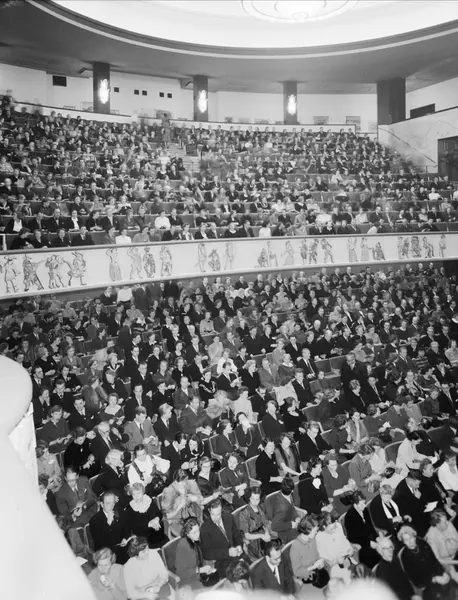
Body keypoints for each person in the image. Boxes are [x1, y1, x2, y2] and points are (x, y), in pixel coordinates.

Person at [55, 466, 98, 555]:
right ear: (65, 478)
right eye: (69, 480)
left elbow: (92, 497)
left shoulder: (84, 480)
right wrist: (74, 515)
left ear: (77, 476)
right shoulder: (60, 494)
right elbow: (64, 515)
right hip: (76, 521)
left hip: (91, 512)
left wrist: (84, 506)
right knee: (74, 533)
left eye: (74, 480)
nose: (71, 483)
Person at [200, 498, 244, 577]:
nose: (215, 517)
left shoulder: (229, 517)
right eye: (213, 514)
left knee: (253, 571)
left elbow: (237, 535)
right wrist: (227, 552)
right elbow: (206, 553)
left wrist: (239, 545)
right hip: (222, 560)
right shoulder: (205, 528)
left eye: (218, 514)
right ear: (209, 511)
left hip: (237, 553)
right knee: (239, 575)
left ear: (222, 511)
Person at [398, 525, 446, 591]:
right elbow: (415, 579)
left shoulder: (422, 543)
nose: (409, 542)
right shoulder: (404, 556)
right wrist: (434, 579)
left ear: (414, 537)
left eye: (411, 538)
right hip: (425, 584)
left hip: (437, 575)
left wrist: (443, 572)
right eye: (406, 540)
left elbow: (434, 560)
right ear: (403, 542)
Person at [175, 517, 217, 589]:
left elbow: (200, 558)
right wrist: (200, 570)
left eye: (198, 530)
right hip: (188, 581)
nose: (197, 534)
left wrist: (207, 567)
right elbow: (181, 573)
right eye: (194, 532)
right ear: (187, 534)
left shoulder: (195, 539)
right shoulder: (182, 547)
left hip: (199, 574)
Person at [123, 536, 171, 600]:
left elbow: (164, 573)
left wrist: (158, 586)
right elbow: (130, 593)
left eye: (147, 549)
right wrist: (147, 595)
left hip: (159, 588)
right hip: (141, 595)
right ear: (135, 553)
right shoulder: (128, 567)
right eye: (143, 552)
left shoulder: (153, 553)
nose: (147, 552)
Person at [290, 515, 328, 591]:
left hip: (316, 572)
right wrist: (313, 567)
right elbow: (297, 572)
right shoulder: (295, 547)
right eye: (315, 530)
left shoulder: (312, 539)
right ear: (308, 531)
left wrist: (320, 562)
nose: (316, 532)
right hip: (305, 578)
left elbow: (317, 555)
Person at [89, 492, 130, 564]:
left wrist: (125, 539)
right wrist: (108, 523)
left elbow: (126, 530)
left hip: (121, 550)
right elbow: (99, 542)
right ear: (102, 504)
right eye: (108, 503)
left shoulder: (120, 512)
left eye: (113, 503)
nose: (111, 506)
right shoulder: (94, 520)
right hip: (106, 554)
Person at [123, 483, 167, 549]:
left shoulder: (148, 500)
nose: (136, 496)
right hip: (144, 538)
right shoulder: (130, 508)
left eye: (138, 493)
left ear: (143, 492)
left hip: (158, 532)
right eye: (134, 494)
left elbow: (158, 513)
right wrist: (148, 524)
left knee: (167, 548)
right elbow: (132, 526)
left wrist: (156, 519)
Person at [161, 470, 203, 538]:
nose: (184, 484)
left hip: (190, 515)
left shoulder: (188, 483)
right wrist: (179, 506)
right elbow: (167, 516)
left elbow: (200, 499)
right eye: (182, 482)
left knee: (199, 529)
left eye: (185, 480)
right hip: (177, 521)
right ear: (175, 481)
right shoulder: (169, 491)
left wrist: (195, 498)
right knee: (192, 533)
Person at [344, 491, 379, 568]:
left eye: (364, 503)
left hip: (370, 539)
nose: (365, 506)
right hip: (361, 544)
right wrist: (369, 543)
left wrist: (377, 537)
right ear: (355, 505)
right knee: (371, 556)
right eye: (362, 504)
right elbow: (352, 538)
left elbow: (371, 526)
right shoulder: (349, 517)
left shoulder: (365, 510)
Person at [238, 486, 271, 562]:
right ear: (249, 498)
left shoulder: (261, 507)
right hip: (252, 540)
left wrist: (266, 533)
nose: (255, 502)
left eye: (257, 499)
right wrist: (262, 536)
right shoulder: (244, 513)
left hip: (263, 534)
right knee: (267, 554)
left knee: (275, 547)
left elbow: (265, 524)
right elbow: (247, 535)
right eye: (252, 498)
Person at [267, 477, 301, 543]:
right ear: (291, 490)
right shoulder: (281, 508)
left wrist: (296, 517)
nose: (293, 491)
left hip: (290, 521)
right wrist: (291, 524)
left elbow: (292, 507)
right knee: (300, 539)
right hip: (284, 531)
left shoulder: (285, 495)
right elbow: (274, 526)